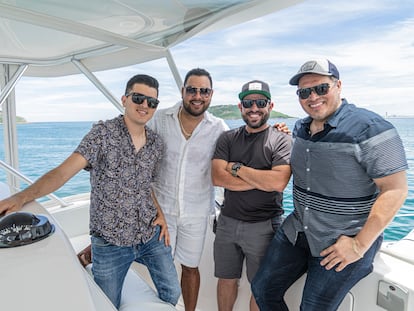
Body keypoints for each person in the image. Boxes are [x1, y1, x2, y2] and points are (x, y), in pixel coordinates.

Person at [0, 74, 181, 309]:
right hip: (110, 241)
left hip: (149, 234)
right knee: (105, 304)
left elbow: (147, 185)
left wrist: (161, 214)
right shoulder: (102, 135)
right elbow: (62, 173)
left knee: (172, 291)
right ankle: (91, 255)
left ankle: (88, 256)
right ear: (124, 99)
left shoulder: (156, 144)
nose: (145, 105)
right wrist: (21, 196)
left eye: (152, 102)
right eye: (138, 98)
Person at [251, 59, 409, 311]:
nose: (312, 96)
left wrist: (358, 245)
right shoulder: (301, 128)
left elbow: (396, 189)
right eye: (304, 92)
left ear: (338, 86)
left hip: (342, 240)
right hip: (298, 231)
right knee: (262, 288)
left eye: (321, 88)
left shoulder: (370, 129)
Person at [211, 80, 292, 311]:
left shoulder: (282, 139)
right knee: (225, 279)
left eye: (260, 102)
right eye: (248, 103)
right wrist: (261, 180)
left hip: (264, 226)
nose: (254, 108)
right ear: (240, 107)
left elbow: (278, 182)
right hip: (227, 222)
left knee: (260, 286)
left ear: (270, 105)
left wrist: (236, 168)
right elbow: (217, 177)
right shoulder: (227, 138)